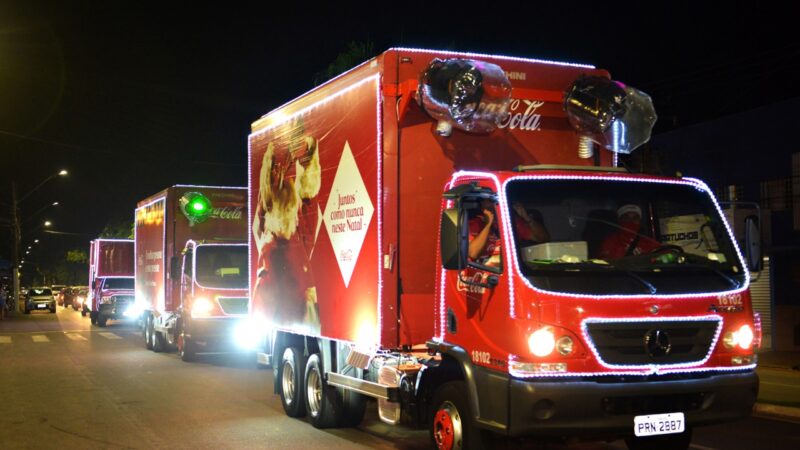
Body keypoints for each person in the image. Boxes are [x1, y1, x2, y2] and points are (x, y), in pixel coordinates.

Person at [468, 199, 549, 267]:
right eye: (488, 201)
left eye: (495, 201)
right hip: (485, 272)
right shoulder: (475, 224)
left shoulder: (513, 223)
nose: (493, 204)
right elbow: (473, 253)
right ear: (481, 205)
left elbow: (543, 238)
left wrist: (526, 217)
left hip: (511, 269)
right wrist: (488, 225)